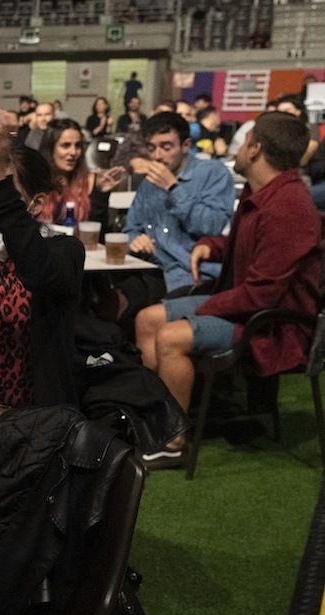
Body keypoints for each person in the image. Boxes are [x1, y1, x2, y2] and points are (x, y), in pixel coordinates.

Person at [134, 112, 323, 467]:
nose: (236, 147)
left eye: (244, 139)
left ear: (256, 149)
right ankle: (155, 421)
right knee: (147, 319)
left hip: (275, 325)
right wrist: (214, 246)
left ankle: (173, 443)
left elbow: (262, 294)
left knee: (170, 337)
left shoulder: (288, 206)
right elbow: (255, 253)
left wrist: (202, 308)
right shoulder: (266, 192)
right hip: (251, 307)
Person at [0, 115, 85, 409]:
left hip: (40, 423)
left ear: (35, 203)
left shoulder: (65, 251)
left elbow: (40, 270)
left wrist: (0, 186)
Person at [124, 112, 236, 293]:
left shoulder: (212, 172)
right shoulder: (149, 182)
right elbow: (131, 229)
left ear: (186, 145)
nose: (157, 156)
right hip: (152, 268)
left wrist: (173, 188)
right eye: (152, 148)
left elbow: (212, 226)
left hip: (192, 275)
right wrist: (136, 240)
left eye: (166, 147)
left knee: (132, 304)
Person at [37, 118, 125, 227]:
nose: (73, 152)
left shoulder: (89, 181)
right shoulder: (35, 182)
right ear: (50, 148)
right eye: (66, 145)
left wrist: (101, 194)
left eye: (77, 146)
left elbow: (97, 232)